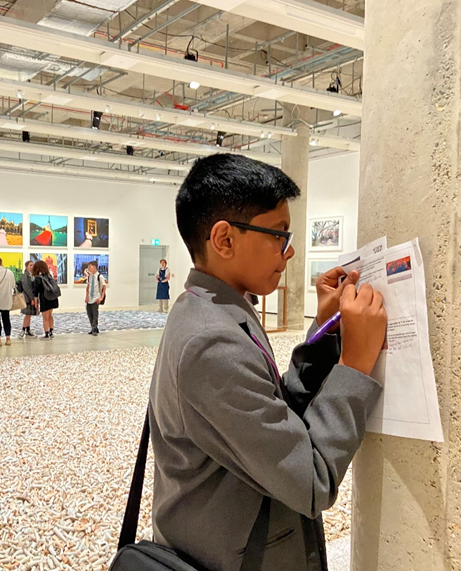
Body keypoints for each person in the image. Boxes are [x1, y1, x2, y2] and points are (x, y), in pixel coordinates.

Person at [149, 154, 387, 571]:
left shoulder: (216, 308)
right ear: (224, 240)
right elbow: (311, 481)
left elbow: (276, 416)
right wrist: (354, 365)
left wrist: (325, 332)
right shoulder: (211, 340)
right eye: (278, 235)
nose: (290, 251)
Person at [32, 260, 58, 340]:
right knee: (50, 315)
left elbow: (36, 292)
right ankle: (51, 331)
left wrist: (36, 302)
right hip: (53, 298)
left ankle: (46, 334)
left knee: (45, 317)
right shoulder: (49, 276)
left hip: (45, 299)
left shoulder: (37, 278)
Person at [84, 261, 106, 335]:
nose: (88, 268)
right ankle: (94, 328)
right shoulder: (89, 276)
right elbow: (88, 287)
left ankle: (94, 327)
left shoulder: (100, 276)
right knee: (89, 314)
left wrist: (101, 298)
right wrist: (86, 297)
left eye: (90, 267)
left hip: (96, 298)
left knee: (95, 314)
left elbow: (104, 287)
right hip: (89, 298)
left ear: (95, 267)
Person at [18, 261, 38, 338]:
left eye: (33, 265)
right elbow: (27, 288)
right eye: (30, 265)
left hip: (30, 298)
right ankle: (23, 329)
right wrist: (32, 298)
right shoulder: (25, 276)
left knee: (29, 315)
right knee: (27, 314)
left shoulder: (32, 275)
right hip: (27, 298)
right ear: (26, 267)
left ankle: (28, 329)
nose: (32, 266)